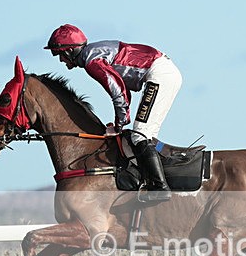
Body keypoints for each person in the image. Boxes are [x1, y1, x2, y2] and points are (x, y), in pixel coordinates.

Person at [45, 24, 182, 202]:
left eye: (60, 55)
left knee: (140, 136)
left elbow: (117, 91)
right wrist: (121, 121)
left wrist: (119, 124)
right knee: (143, 135)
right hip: (162, 72)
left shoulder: (91, 61)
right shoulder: (93, 53)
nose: (61, 61)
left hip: (159, 75)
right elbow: (123, 90)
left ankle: (160, 188)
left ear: (70, 50)